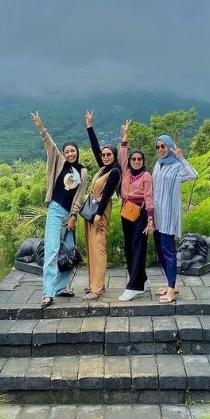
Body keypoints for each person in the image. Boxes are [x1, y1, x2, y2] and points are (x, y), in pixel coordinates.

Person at [31, 111, 87, 308]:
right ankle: (48, 292)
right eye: (68, 151)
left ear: (78, 151)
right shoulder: (60, 163)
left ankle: (62, 287)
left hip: (69, 215)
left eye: (73, 150)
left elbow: (80, 195)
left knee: (69, 250)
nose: (71, 153)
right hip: (55, 211)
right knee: (53, 251)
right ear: (64, 153)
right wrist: (41, 126)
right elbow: (50, 144)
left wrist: (73, 216)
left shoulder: (83, 171)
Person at [150, 134, 198, 303]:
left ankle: (171, 291)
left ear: (170, 147)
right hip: (156, 216)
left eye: (163, 146)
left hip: (169, 216)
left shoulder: (177, 166)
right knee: (161, 251)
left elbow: (193, 175)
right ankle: (172, 285)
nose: (160, 150)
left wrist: (181, 157)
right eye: (158, 147)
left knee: (168, 251)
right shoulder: (157, 165)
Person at [80, 110, 121, 300]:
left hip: (99, 211)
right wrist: (89, 126)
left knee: (99, 248)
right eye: (103, 154)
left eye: (108, 154)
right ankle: (94, 284)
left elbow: (106, 195)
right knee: (91, 247)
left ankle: (97, 288)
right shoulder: (104, 168)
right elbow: (95, 147)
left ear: (114, 156)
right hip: (91, 210)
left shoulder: (114, 173)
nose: (104, 156)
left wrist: (98, 214)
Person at [117, 119, 153, 301]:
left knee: (139, 248)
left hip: (140, 214)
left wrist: (150, 219)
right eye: (134, 159)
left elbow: (149, 198)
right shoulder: (126, 172)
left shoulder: (146, 176)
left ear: (143, 161)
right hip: (126, 212)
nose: (136, 161)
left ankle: (134, 286)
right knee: (130, 248)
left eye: (139, 159)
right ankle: (142, 280)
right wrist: (126, 134)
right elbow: (122, 153)